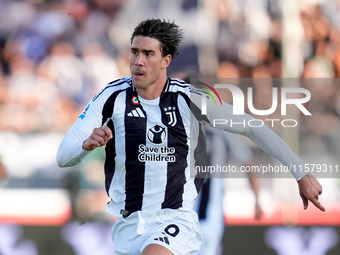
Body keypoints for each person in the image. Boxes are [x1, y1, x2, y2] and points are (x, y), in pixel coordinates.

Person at [56, 18, 325, 255]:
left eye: (148, 54)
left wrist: (301, 172)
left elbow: (251, 126)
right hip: (127, 225)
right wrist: (85, 145)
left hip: (174, 220)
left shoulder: (189, 100)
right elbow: (63, 156)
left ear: (166, 61)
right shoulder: (111, 97)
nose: (138, 61)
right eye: (134, 52)